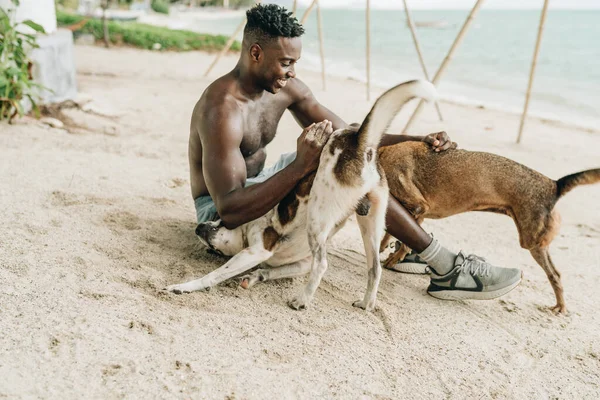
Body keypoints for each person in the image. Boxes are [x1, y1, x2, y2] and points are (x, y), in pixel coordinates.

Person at [188, 4, 521, 300]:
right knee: (323, 160)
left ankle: (429, 253)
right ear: (256, 54)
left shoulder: (284, 87)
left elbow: (352, 136)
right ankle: (443, 264)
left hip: (262, 189)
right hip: (222, 218)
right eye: (286, 63)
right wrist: (300, 166)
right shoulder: (222, 110)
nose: (292, 73)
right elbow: (229, 209)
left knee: (353, 159)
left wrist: (420, 139)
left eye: (295, 63)